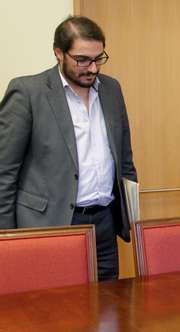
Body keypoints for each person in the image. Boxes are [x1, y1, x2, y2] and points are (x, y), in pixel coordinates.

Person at [0, 16, 137, 281]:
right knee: (57, 313)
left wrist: (130, 215)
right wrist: (7, 239)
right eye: (82, 60)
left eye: (99, 58)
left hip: (104, 224)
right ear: (58, 53)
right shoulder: (28, 92)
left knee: (108, 310)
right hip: (52, 224)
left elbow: (125, 160)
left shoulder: (112, 90)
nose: (93, 68)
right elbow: (4, 172)